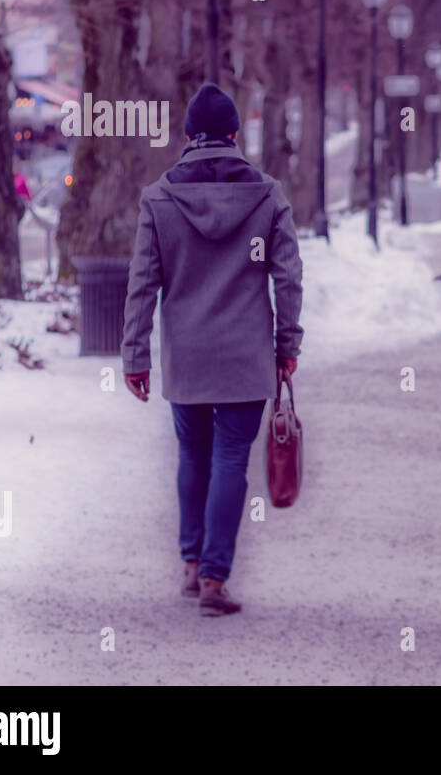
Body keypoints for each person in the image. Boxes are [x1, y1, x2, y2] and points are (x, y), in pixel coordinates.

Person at [121, 83, 303, 618]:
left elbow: (141, 283)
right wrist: (287, 345)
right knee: (229, 460)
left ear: (187, 137)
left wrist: (135, 355)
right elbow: (287, 278)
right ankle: (215, 580)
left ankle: (191, 564)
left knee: (192, 453)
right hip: (246, 356)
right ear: (234, 133)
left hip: (187, 356)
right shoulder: (268, 195)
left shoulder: (159, 198)